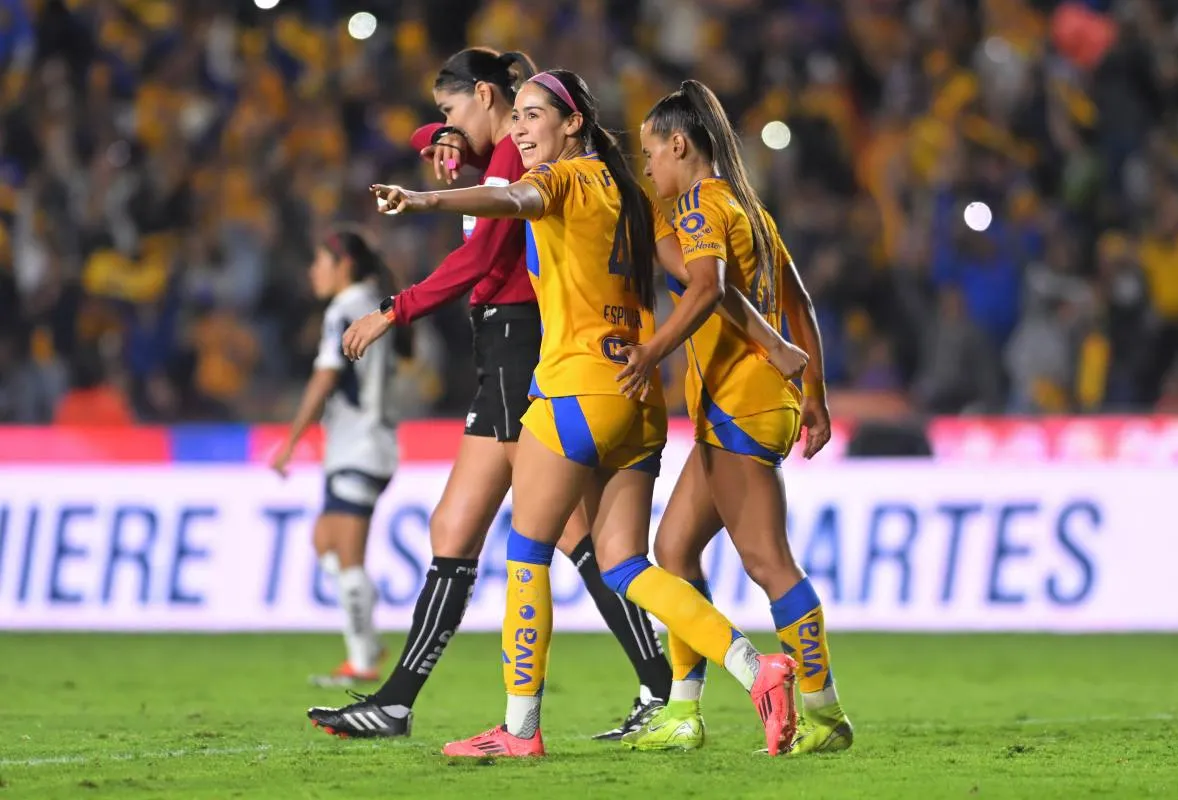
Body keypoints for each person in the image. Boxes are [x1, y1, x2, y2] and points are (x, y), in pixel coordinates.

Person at [369, 68, 802, 758]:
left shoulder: (565, 179)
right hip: (638, 400)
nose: (519, 129)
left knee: (526, 550)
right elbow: (701, 285)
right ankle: (759, 668)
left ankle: (518, 731)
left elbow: (511, 198)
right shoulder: (636, 193)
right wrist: (771, 341)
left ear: (573, 125)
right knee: (626, 563)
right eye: (516, 119)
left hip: (576, 388)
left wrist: (422, 200)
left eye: (534, 116)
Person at [309, 48, 674, 742]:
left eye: (450, 111)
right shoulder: (518, 151)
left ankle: (410, 703)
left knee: (475, 530)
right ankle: (660, 685)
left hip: (516, 348)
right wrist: (445, 135)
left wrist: (396, 308)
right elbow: (458, 153)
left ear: (490, 96)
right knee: (573, 536)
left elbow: (483, 254)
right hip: (514, 348)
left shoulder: (520, 162)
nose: (443, 130)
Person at [617, 80, 854, 755]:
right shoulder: (747, 208)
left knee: (768, 562)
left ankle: (825, 713)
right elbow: (798, 299)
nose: (648, 167)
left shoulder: (701, 208)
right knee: (674, 552)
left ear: (680, 145)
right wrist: (815, 389)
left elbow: (707, 288)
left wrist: (654, 350)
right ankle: (684, 713)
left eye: (651, 153)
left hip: (739, 403)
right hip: (756, 401)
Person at [273, 228, 410, 687]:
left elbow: (325, 377)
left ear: (343, 265)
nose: (313, 271)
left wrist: (292, 440)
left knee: (345, 557)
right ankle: (367, 639)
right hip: (364, 444)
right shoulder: (377, 302)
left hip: (359, 445)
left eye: (319, 262)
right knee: (325, 545)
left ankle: (363, 659)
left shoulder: (345, 308)